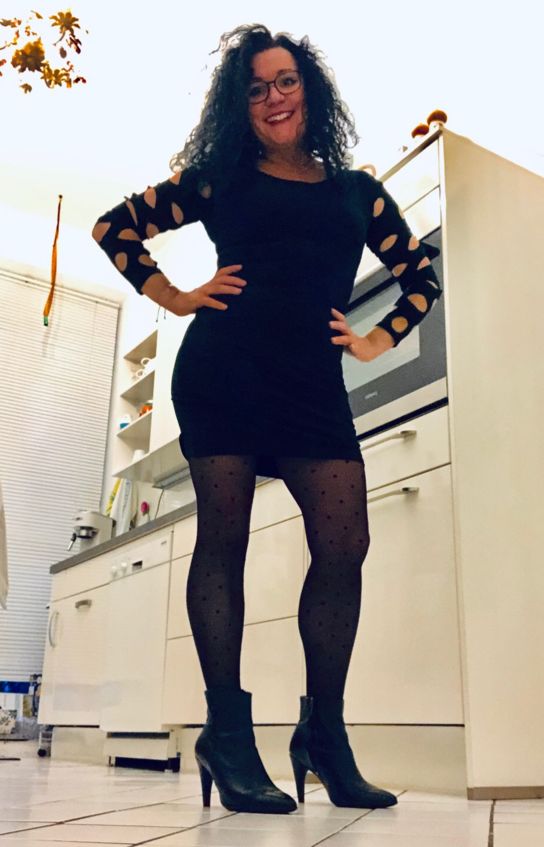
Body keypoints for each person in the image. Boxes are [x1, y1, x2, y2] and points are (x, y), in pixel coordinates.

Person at [92, 23, 442, 816]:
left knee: (345, 546)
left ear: (308, 90)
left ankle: (324, 735)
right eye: (256, 88)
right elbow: (115, 227)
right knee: (226, 541)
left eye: (286, 81)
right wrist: (175, 296)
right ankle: (227, 732)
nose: (274, 97)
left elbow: (420, 273)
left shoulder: (357, 192)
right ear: (239, 105)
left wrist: (378, 337)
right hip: (225, 372)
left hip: (311, 386)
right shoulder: (219, 180)